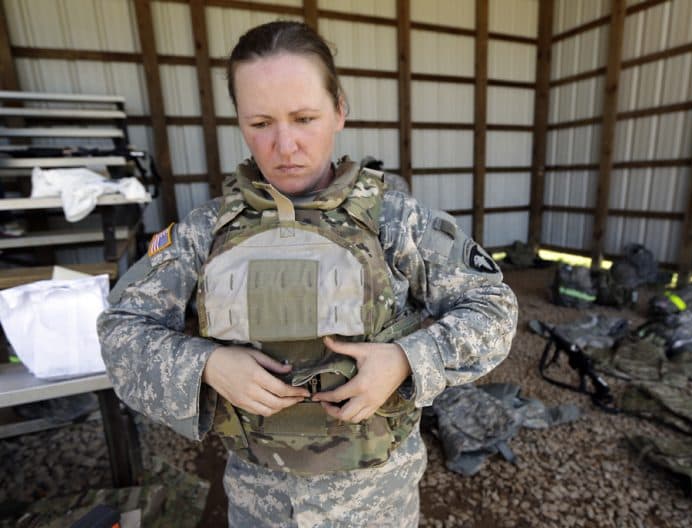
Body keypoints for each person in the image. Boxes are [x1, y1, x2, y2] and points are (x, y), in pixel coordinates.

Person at [98, 21, 517, 527]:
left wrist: (407, 360)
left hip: (375, 502)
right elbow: (121, 330)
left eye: (304, 118)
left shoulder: (396, 222)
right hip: (259, 503)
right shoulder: (204, 231)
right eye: (260, 123)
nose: (285, 145)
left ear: (340, 108)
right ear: (239, 121)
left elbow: (494, 307)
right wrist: (207, 365)